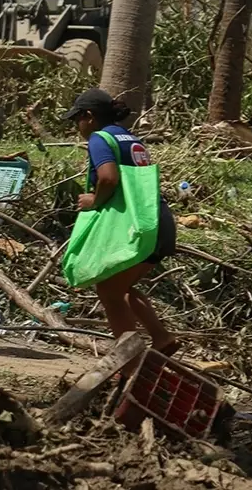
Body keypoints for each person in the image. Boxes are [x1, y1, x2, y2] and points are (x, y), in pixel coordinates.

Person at [64, 88, 180, 358]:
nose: (76, 126)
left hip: (137, 227)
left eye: (77, 119)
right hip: (158, 222)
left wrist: (94, 200)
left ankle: (129, 362)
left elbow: (108, 178)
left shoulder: (99, 138)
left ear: (89, 117)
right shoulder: (130, 138)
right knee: (121, 287)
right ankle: (162, 338)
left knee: (108, 291)